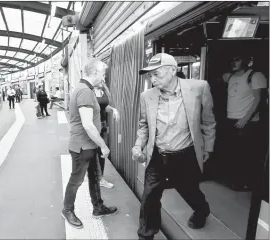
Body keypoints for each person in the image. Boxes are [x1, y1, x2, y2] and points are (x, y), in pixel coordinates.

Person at [133, 53, 216, 240]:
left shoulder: (199, 88)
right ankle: (146, 235)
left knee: (188, 189)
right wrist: (138, 146)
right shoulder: (147, 96)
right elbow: (143, 125)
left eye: (157, 75)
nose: (153, 80)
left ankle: (202, 210)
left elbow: (208, 122)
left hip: (184, 155)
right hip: (157, 154)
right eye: (150, 76)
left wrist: (208, 148)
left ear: (173, 70)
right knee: (150, 196)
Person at [62, 58, 118, 229]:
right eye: (102, 73)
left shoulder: (86, 89)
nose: (103, 77)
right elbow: (87, 124)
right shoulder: (85, 91)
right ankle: (67, 209)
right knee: (76, 179)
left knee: (94, 177)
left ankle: (98, 207)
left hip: (89, 145)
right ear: (94, 73)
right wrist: (103, 145)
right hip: (82, 146)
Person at [221, 54, 268, 191]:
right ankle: (237, 181)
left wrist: (245, 119)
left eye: (238, 59)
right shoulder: (231, 76)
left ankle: (247, 183)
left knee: (246, 154)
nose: (234, 62)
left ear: (246, 61)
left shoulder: (255, 76)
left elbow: (258, 99)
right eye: (233, 59)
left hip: (248, 121)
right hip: (231, 119)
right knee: (235, 153)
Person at [94, 81, 119, 188]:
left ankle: (100, 178)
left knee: (102, 153)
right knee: (93, 153)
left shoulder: (103, 91)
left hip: (103, 126)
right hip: (94, 126)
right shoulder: (89, 91)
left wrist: (114, 110)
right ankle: (97, 178)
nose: (102, 77)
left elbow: (104, 107)